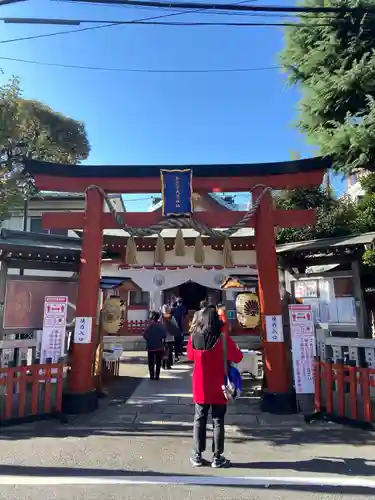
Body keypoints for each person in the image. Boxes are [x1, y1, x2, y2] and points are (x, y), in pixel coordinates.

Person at [187, 303, 243, 468]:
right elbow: (238, 357)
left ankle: (197, 455)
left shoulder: (193, 338)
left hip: (200, 385)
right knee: (218, 420)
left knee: (199, 418)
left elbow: (190, 356)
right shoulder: (223, 340)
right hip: (220, 385)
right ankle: (217, 457)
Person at [143, 311, 167, 380]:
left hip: (150, 346)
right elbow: (164, 336)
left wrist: (149, 339)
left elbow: (144, 335)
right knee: (158, 362)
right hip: (159, 346)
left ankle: (151, 376)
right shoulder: (161, 325)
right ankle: (157, 376)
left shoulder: (149, 325)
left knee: (151, 362)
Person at [161, 304, 180, 370]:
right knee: (169, 352)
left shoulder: (161, 317)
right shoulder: (172, 317)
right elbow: (176, 326)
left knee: (164, 352)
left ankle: (163, 364)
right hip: (170, 337)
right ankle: (168, 365)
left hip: (163, 337)